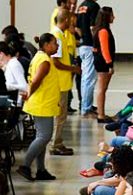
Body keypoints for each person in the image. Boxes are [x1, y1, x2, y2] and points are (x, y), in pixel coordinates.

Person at [17, 33, 62, 183]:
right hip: (42, 104)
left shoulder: (40, 57)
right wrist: (29, 94)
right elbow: (36, 81)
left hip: (42, 103)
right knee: (44, 137)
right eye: (55, 43)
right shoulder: (44, 61)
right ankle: (25, 165)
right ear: (47, 45)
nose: (57, 46)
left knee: (41, 137)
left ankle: (41, 170)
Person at [49, 9, 79, 156]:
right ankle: (55, 145)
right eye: (71, 20)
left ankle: (58, 142)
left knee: (61, 115)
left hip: (62, 82)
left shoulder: (58, 34)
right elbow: (55, 62)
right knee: (60, 116)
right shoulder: (58, 37)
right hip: (60, 83)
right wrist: (73, 69)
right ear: (67, 20)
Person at [75, 0, 101, 117]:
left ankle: (85, 106)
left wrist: (83, 38)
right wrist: (95, 41)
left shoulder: (81, 6)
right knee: (89, 79)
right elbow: (93, 27)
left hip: (83, 46)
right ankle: (86, 109)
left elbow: (77, 28)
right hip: (90, 46)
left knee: (85, 79)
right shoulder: (94, 6)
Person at [92, 7, 115, 122]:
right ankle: (101, 114)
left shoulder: (100, 29)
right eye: (112, 15)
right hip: (103, 63)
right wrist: (109, 64)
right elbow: (104, 49)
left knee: (103, 89)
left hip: (101, 61)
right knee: (101, 89)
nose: (114, 17)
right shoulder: (103, 31)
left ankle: (101, 113)